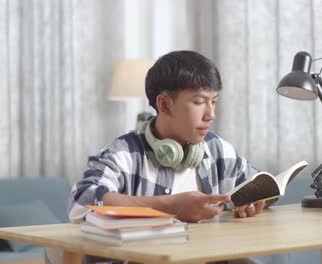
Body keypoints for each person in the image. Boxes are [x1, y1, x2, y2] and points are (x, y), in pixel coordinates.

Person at [68, 50, 265, 224]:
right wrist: (170, 206)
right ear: (164, 105)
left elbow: (259, 185)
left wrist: (253, 200)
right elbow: (82, 201)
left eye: (213, 102)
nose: (210, 114)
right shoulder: (123, 154)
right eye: (199, 102)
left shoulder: (217, 148)